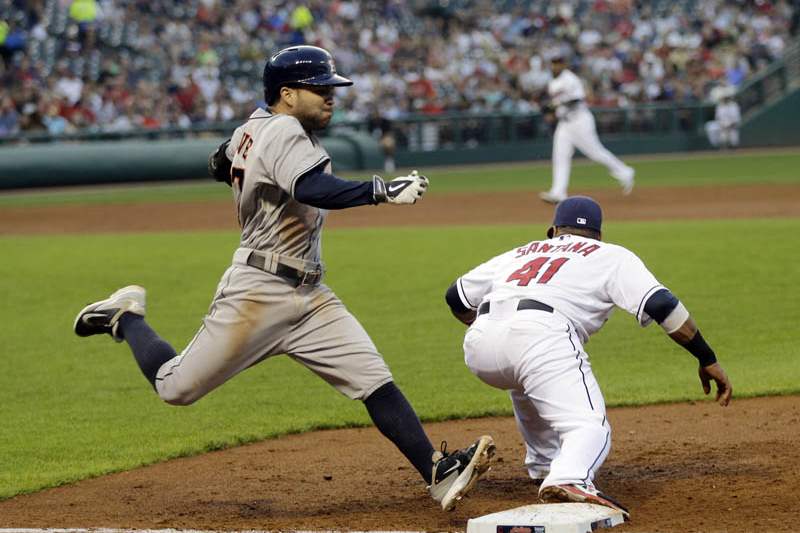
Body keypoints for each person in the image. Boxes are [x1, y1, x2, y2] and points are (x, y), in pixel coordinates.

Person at [73, 45, 494, 512]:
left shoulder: (255, 129)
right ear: (288, 95)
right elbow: (310, 188)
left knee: (373, 377)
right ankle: (127, 315)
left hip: (310, 293)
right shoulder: (283, 130)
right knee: (176, 388)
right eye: (320, 89)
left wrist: (239, 159)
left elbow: (219, 162)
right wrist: (380, 190)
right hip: (258, 291)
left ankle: (436, 470)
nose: (331, 98)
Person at [443, 196, 732, 517]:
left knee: (526, 380)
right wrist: (706, 357)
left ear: (552, 231)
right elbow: (662, 305)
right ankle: (570, 477)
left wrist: (491, 326)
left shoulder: (522, 251)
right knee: (590, 427)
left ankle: (546, 465)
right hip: (540, 334)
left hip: (480, 341)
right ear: (599, 235)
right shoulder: (610, 255)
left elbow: (455, 295)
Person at [539, 57, 635, 204]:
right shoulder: (553, 82)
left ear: (563, 65)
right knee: (560, 156)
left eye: (557, 64)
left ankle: (625, 171)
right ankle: (558, 192)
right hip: (564, 124)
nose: (554, 67)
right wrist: (551, 111)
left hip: (580, 121)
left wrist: (554, 105)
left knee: (596, 153)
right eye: (552, 64)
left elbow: (577, 99)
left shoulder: (571, 79)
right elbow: (555, 105)